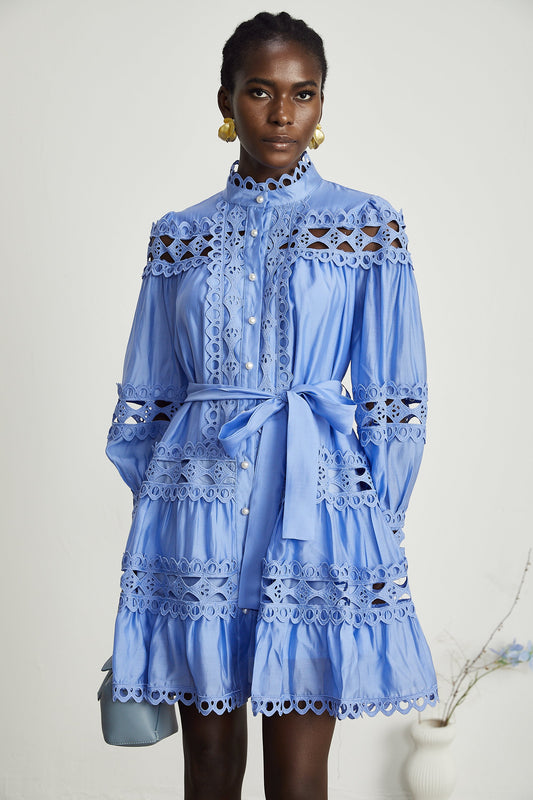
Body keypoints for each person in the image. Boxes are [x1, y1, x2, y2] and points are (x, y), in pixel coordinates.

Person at [105, 11, 438, 800]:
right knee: (209, 769)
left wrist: (375, 519)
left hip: (315, 513)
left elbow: (394, 395)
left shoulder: (365, 226)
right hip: (198, 514)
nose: (282, 113)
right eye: (260, 91)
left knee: (296, 776)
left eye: (302, 93)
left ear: (321, 103)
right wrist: (165, 508)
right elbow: (148, 396)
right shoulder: (179, 235)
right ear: (226, 101)